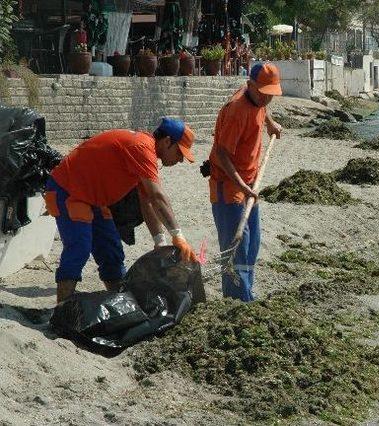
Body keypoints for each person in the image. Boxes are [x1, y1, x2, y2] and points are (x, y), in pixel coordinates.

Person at [44, 118, 199, 303]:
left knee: (111, 250)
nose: (180, 159)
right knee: (79, 247)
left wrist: (160, 241)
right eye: (179, 153)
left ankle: (120, 302)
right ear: (167, 142)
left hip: (94, 197)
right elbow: (158, 197)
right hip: (68, 189)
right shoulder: (141, 147)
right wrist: (178, 235)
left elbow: (147, 201)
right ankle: (62, 306)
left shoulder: (144, 151)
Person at [208, 62, 283, 302]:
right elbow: (221, 153)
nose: (267, 99)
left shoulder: (258, 99)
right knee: (237, 248)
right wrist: (242, 186)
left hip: (250, 182)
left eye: (271, 94)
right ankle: (237, 300)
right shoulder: (236, 111)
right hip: (229, 186)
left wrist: (269, 123)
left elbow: (261, 108)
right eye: (264, 93)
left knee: (252, 244)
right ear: (250, 85)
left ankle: (246, 293)